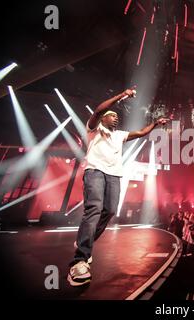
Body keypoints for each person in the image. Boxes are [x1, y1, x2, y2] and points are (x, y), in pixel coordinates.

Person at [68, 88, 169, 286]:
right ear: (103, 119)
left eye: (116, 117)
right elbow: (98, 110)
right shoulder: (94, 129)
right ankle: (79, 261)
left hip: (114, 175)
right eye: (111, 116)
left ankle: (84, 241)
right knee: (94, 209)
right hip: (95, 171)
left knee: (110, 210)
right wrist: (122, 96)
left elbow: (140, 133)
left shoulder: (119, 135)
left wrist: (155, 124)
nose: (115, 118)